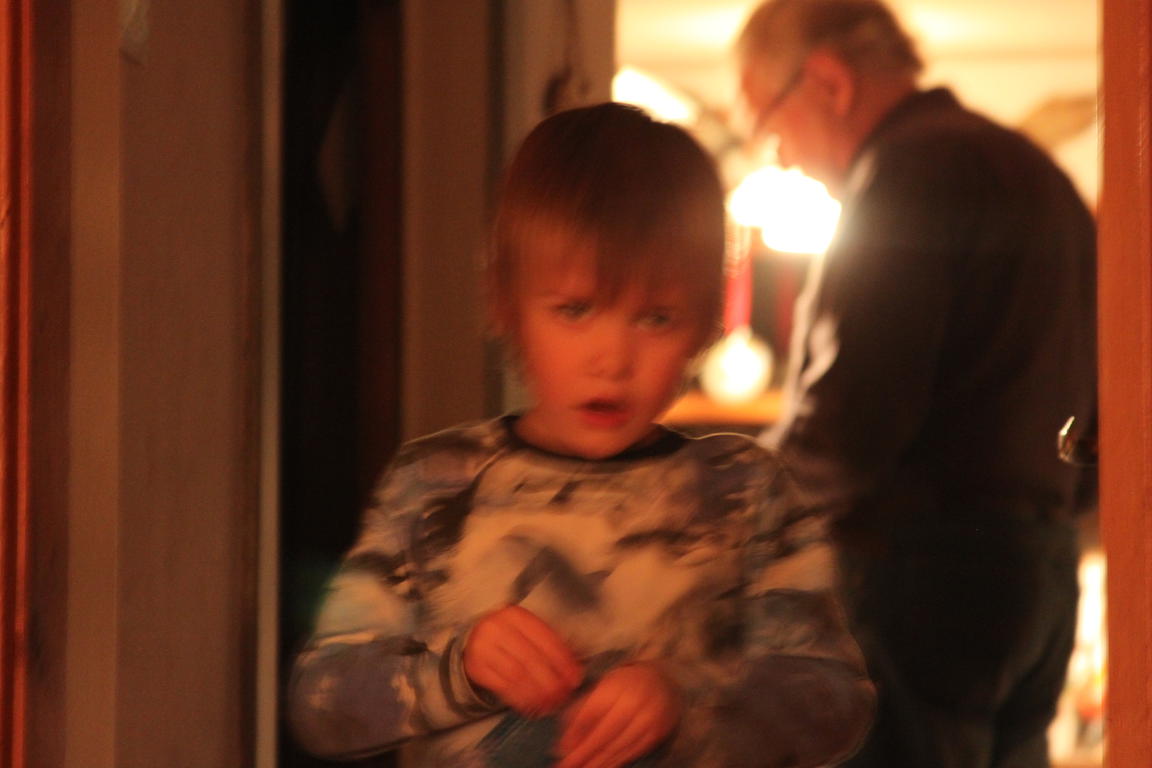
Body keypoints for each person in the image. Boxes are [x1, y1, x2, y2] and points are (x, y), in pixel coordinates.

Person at [288, 102, 874, 767]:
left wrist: (685, 702)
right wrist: (459, 669)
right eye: (574, 310)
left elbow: (834, 702)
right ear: (505, 303)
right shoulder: (435, 484)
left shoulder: (744, 492)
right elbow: (322, 704)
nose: (612, 360)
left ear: (706, 322)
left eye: (656, 318)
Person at [736, 2, 1097, 767]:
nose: (784, 159)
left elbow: (849, 425)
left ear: (828, 82)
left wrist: (725, 512)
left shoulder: (904, 174)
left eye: (770, 127)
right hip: (1044, 567)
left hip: (927, 576)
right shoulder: (1042, 175)